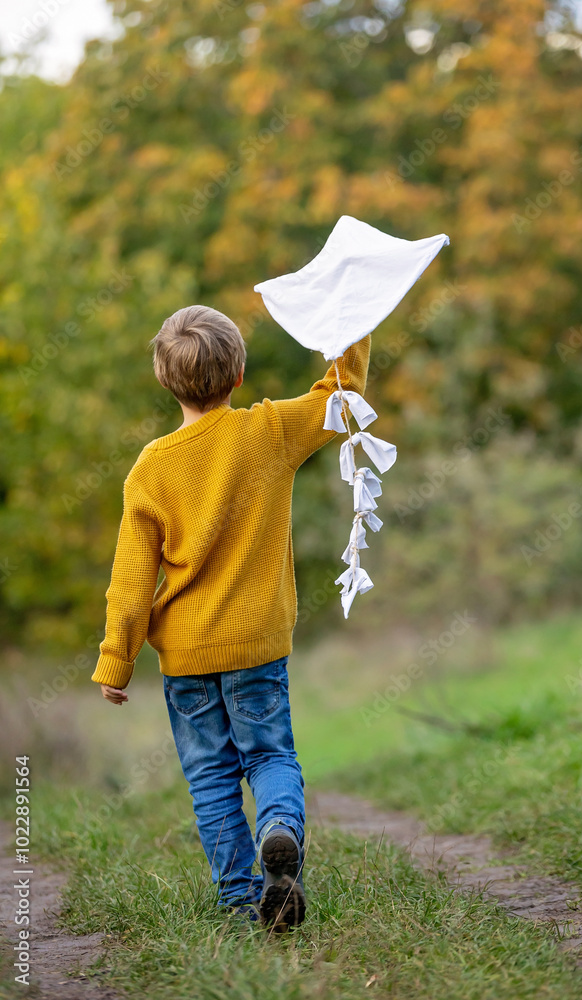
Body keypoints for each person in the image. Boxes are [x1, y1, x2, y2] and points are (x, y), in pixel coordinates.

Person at [91, 303, 371, 930]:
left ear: (165, 380)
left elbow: (132, 579)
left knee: (210, 776)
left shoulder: (151, 467)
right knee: (270, 756)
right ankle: (279, 830)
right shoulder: (268, 432)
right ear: (239, 374)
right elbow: (343, 396)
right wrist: (354, 316)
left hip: (186, 657)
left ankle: (240, 900)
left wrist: (116, 659)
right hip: (258, 644)